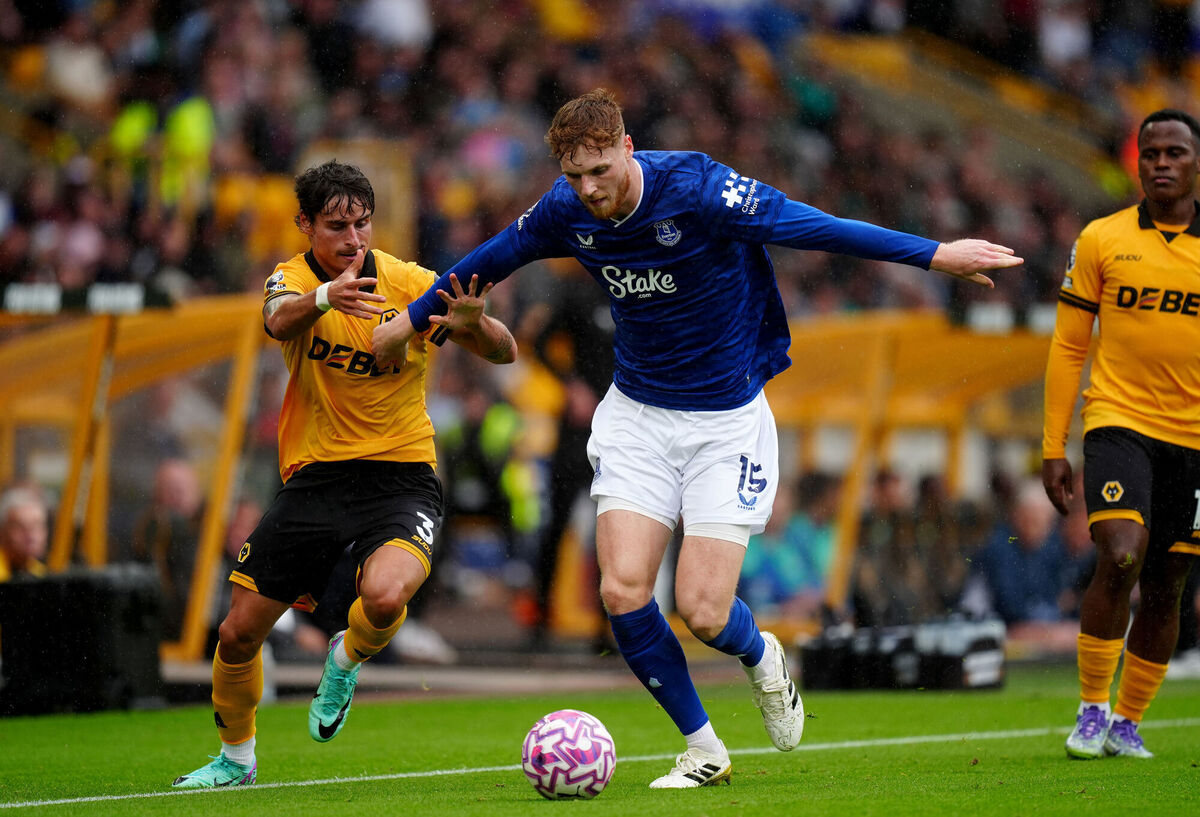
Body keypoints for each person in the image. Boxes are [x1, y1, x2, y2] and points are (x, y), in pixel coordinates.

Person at [372, 88, 1020, 789]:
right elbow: (481, 264)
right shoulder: (564, 211)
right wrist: (402, 327)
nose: (588, 189)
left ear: (626, 147)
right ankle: (703, 746)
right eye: (574, 176)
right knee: (622, 590)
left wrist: (934, 255)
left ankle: (763, 655)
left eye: (600, 170)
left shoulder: (698, 188)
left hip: (726, 423)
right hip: (638, 418)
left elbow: (814, 227)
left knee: (704, 612)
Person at [172, 159, 516, 789]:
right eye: (336, 226)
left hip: (401, 474)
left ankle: (346, 655)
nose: (353, 239)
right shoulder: (292, 280)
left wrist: (475, 327)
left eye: (362, 224)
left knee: (386, 597)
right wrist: (328, 295)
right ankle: (236, 759)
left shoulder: (410, 280)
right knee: (237, 632)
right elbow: (278, 320)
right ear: (304, 224)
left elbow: (505, 350)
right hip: (316, 479)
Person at [1043, 108, 1200, 761]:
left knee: (1167, 585)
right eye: (1151, 153)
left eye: (1175, 153)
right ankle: (1090, 708)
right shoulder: (1102, 239)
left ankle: (1128, 721)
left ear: (1196, 164)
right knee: (1122, 552)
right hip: (1118, 419)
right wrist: (1053, 444)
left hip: (1193, 439)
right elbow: (1068, 345)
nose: (1161, 162)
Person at [0, 485, 49, 583]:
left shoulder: (43, 575)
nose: (31, 535)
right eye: (20, 527)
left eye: (37, 526)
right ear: (2, 531)